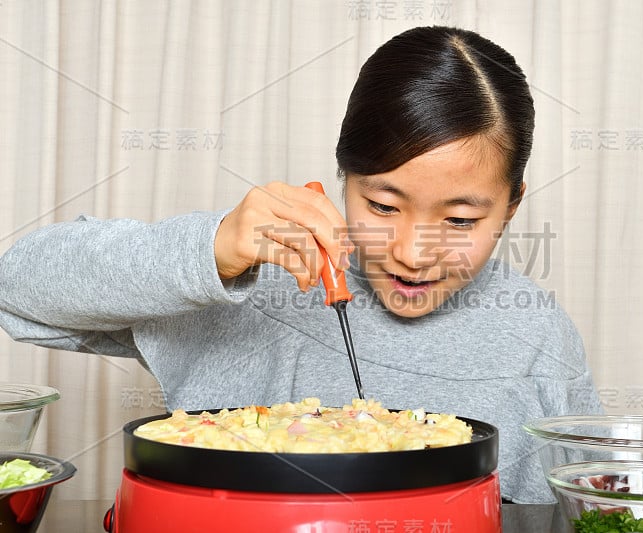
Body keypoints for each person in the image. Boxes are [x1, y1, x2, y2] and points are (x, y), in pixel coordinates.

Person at [0, 26, 601, 503]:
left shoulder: (538, 337)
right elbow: (17, 291)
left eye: (461, 221)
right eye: (383, 205)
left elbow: (587, 508)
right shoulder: (248, 278)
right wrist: (212, 251)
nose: (414, 254)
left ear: (512, 204)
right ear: (344, 180)